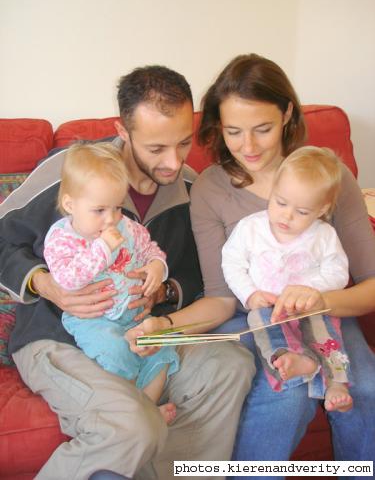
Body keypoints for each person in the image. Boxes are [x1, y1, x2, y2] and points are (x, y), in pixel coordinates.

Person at [0, 65, 254, 479]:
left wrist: (165, 290)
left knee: (231, 366)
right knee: (131, 423)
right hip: (58, 334)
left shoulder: (192, 190)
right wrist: (48, 285)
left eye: (184, 143)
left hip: (142, 330)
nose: (173, 162)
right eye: (156, 148)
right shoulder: (73, 169)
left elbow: (199, 277)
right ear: (123, 130)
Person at [180, 53, 374, 475]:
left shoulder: (325, 174)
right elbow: (220, 296)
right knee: (286, 393)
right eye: (233, 132)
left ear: (287, 113)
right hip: (253, 314)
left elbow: (370, 284)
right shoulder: (211, 189)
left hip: (325, 314)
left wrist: (317, 299)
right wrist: (168, 327)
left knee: (367, 388)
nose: (248, 147)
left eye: (262, 129)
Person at [44, 142, 178, 423]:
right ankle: (130, 412)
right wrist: (102, 249)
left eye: (117, 207)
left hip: (133, 316)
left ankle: (146, 408)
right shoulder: (61, 238)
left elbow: (150, 248)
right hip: (93, 320)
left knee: (161, 348)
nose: (111, 219)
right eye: (100, 210)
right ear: (71, 204)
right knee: (114, 351)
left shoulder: (127, 227)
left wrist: (156, 265)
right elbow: (68, 278)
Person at [222, 145, 352, 412]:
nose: (287, 215)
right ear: (273, 191)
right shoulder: (251, 228)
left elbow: (339, 271)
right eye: (280, 202)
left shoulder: (323, 235)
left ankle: (336, 381)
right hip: (269, 308)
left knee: (325, 332)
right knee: (260, 323)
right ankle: (292, 359)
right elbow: (232, 263)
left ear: (321, 209)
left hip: (310, 308)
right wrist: (249, 294)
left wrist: (311, 291)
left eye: (302, 212)